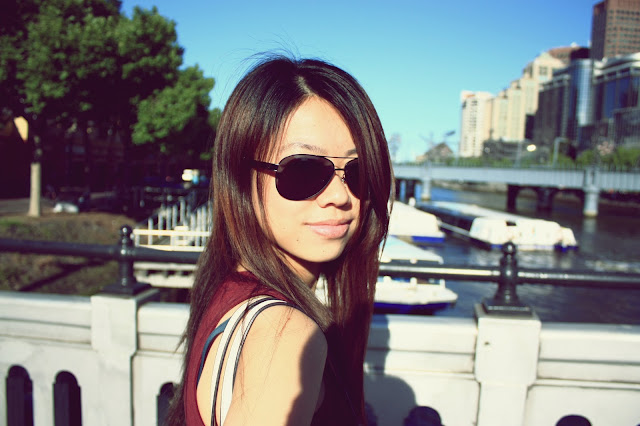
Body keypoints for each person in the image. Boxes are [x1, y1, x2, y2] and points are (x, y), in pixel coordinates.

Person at [166, 55, 393, 426]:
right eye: (303, 170)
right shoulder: (285, 334)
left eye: (358, 171)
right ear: (240, 178)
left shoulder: (230, 291)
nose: (340, 196)